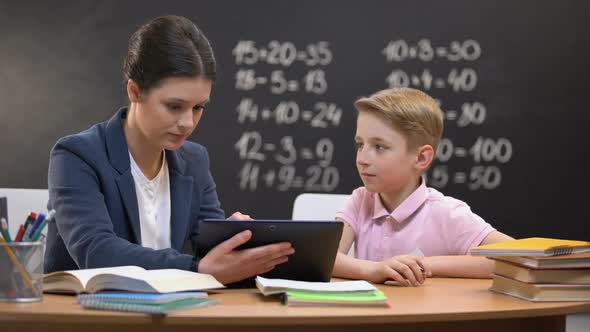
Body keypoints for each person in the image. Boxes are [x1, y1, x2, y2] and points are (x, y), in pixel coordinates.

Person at [44, 15, 294, 284]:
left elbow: (205, 248)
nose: (187, 123)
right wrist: (197, 270)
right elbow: (97, 251)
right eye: (175, 106)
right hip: (86, 316)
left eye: (198, 107)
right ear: (135, 91)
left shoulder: (194, 160)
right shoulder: (76, 156)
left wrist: (232, 240)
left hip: (169, 313)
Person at [332, 88, 513, 286]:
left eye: (379, 147)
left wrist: (426, 265)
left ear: (421, 158)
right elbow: (327, 258)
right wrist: (374, 270)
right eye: (360, 145)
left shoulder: (447, 213)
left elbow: (515, 257)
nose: (362, 159)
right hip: (373, 316)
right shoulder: (360, 201)